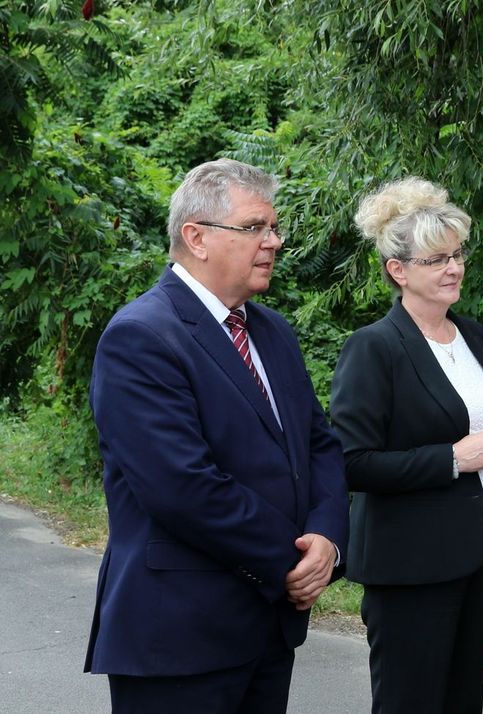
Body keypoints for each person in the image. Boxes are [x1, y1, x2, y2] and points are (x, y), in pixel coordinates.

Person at [85, 158, 349, 713]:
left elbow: (318, 443)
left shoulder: (271, 330)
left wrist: (326, 539)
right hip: (179, 634)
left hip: (265, 630)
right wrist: (291, 560)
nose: (273, 242)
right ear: (196, 238)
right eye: (255, 227)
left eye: (274, 228)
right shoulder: (141, 336)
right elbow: (182, 487)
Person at [329, 177, 483, 713]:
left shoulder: (472, 336)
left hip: (480, 552)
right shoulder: (374, 348)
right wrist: (451, 459)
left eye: (458, 254)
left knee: (463, 701)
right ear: (398, 271)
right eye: (437, 258)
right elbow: (351, 462)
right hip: (411, 564)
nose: (455, 267)